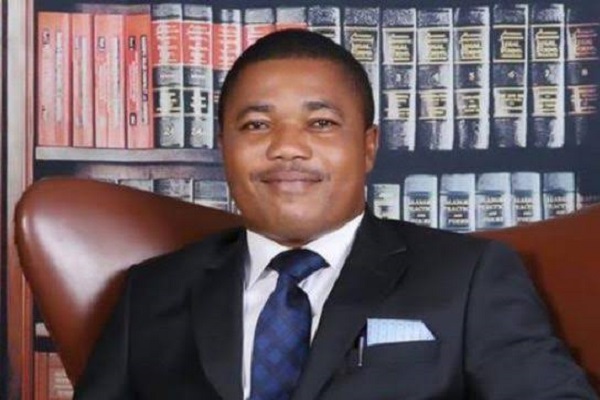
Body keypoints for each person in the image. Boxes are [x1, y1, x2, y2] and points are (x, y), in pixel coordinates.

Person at [74, 29, 597, 399]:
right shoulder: (152, 292)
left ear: (368, 147)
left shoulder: (470, 279)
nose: (287, 147)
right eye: (256, 126)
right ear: (223, 148)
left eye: (321, 123)